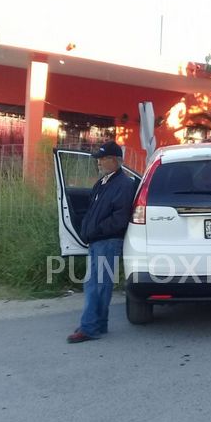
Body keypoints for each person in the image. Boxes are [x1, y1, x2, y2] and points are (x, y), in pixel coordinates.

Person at [67, 141, 136, 343]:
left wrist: (95, 230)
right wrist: (87, 229)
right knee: (99, 284)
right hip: (98, 241)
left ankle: (89, 328)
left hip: (107, 241)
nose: (98, 162)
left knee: (95, 285)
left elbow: (119, 218)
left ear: (115, 160)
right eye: (98, 159)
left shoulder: (124, 184)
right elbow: (93, 211)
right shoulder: (103, 182)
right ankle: (99, 323)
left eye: (102, 159)